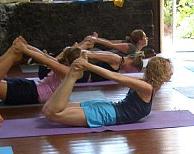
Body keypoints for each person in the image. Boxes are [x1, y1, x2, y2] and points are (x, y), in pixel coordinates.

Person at [42, 52, 173, 128]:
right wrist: (88, 65)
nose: (172, 72)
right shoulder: (146, 87)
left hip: (108, 107)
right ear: (161, 74)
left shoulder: (147, 84)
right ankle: (72, 75)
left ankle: (72, 75)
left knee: (50, 110)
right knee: (52, 113)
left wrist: (89, 57)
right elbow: (116, 76)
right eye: (169, 70)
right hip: (108, 113)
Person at [0, 36, 143, 105]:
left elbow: (45, 59)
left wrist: (25, 49)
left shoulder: (69, 71)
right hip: (32, 87)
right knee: (15, 53)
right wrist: (26, 46)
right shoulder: (69, 68)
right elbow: (45, 57)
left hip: (32, 93)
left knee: (15, 54)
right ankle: (14, 51)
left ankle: (14, 51)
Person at [85, 29, 150, 57]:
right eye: (145, 37)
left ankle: (90, 43)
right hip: (97, 54)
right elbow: (110, 44)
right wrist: (95, 39)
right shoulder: (132, 48)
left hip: (99, 54)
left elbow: (110, 42)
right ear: (139, 40)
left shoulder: (134, 48)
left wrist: (96, 39)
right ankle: (89, 43)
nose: (147, 38)